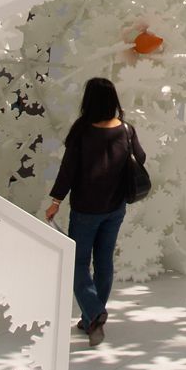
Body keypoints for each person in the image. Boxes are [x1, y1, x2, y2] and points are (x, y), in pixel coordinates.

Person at [45, 77, 146, 346]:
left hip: (85, 210)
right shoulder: (126, 129)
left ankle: (94, 313)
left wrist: (56, 201)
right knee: (104, 262)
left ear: (88, 100)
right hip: (115, 208)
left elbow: (68, 170)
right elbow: (140, 158)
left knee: (77, 263)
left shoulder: (82, 130)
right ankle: (92, 317)